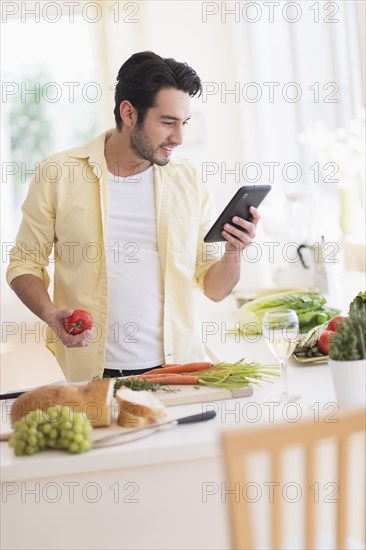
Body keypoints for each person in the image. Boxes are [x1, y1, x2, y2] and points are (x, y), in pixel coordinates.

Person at [7, 51, 260, 383]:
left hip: (177, 369)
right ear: (128, 112)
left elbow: (214, 288)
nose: (179, 138)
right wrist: (51, 315)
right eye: (167, 122)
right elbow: (24, 264)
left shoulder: (189, 180)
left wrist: (234, 253)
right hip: (92, 372)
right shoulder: (58, 173)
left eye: (184, 123)